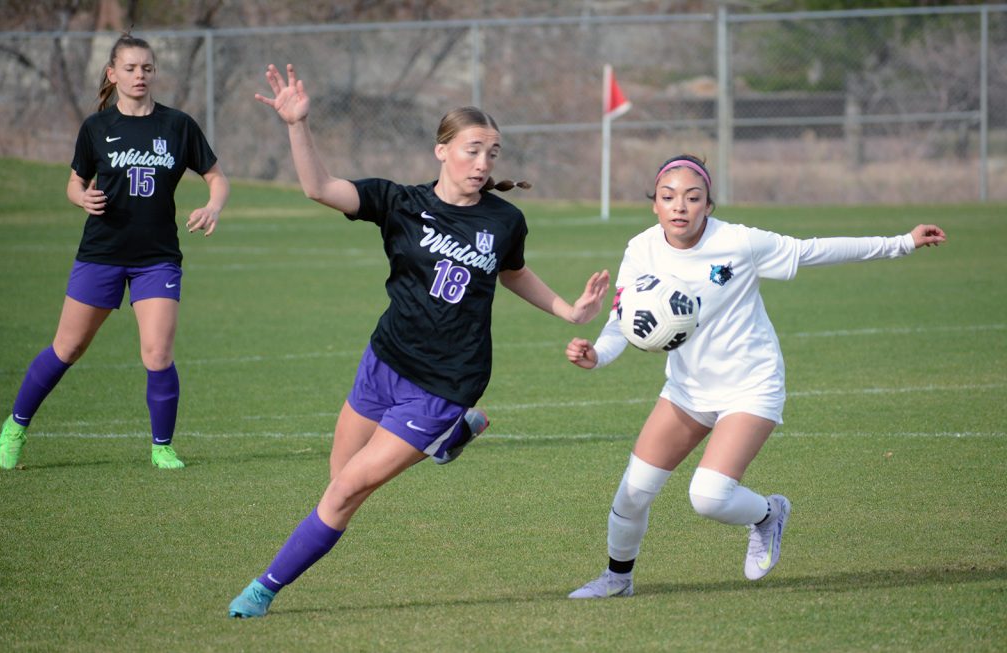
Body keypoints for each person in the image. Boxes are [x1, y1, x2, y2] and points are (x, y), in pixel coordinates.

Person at [227, 63, 610, 618]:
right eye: (473, 149)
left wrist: (568, 310)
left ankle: (263, 589)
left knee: (344, 495)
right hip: (383, 361)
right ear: (442, 150)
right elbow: (318, 188)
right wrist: (296, 126)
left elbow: (513, 273)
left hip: (445, 382)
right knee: (338, 482)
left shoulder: (505, 221)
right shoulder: (399, 203)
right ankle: (448, 440)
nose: (483, 163)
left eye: (493, 154)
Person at [565, 154, 946, 598]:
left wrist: (901, 242)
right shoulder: (642, 249)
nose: (680, 207)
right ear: (655, 205)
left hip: (751, 385)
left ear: (709, 204)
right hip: (688, 390)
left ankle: (767, 515)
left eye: (693, 197)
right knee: (632, 494)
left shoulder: (740, 242)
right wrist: (598, 354)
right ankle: (618, 579)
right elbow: (623, 319)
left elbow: (812, 251)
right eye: (668, 197)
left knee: (707, 497)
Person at [0, 33, 229, 471]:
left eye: (147, 68)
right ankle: (16, 425)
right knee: (68, 348)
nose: (139, 75)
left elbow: (216, 176)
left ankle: (162, 447)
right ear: (112, 73)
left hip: (157, 258)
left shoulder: (177, 125)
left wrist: (213, 205)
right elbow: (73, 182)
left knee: (157, 353)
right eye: (131, 68)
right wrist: (80, 198)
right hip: (100, 254)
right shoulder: (96, 127)